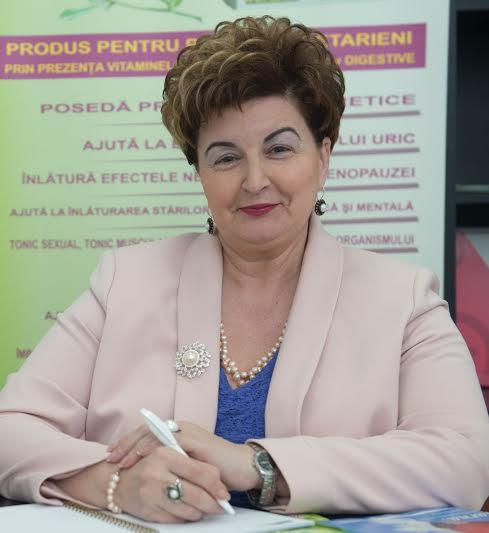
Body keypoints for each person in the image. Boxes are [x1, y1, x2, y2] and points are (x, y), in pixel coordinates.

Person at [0, 15, 488, 524]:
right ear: (200, 172)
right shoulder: (124, 281)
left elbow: (466, 461)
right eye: (226, 157)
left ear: (323, 156)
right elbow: (9, 429)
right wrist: (117, 484)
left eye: (279, 149)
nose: (255, 180)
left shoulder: (404, 300)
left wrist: (260, 465)